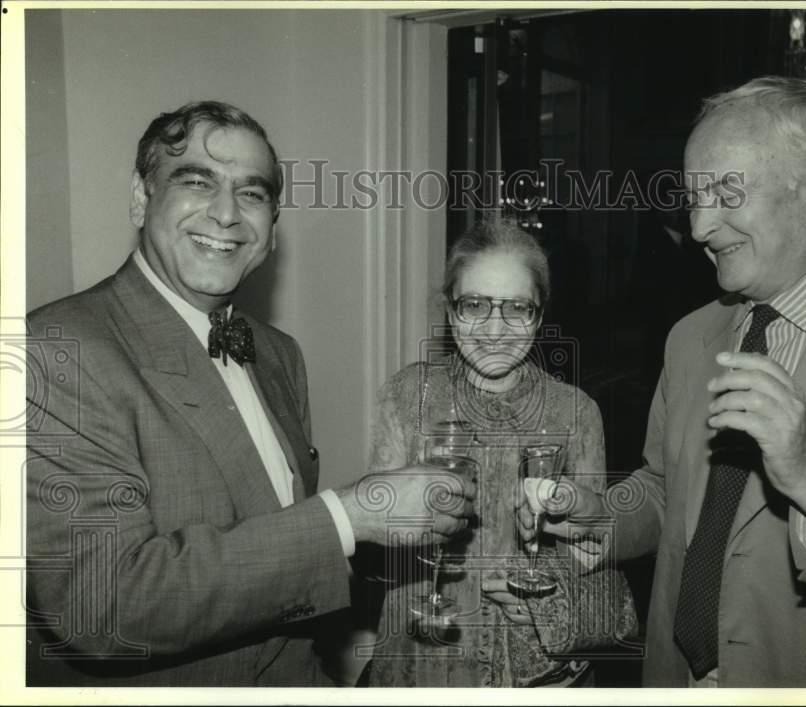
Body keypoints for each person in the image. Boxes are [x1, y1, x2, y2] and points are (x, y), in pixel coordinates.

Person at [527, 77, 806, 687]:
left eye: (726, 192)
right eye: (693, 198)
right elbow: (669, 489)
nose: (699, 227)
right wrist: (603, 518)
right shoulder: (690, 337)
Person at [24, 101, 476, 686]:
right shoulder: (56, 350)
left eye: (253, 194)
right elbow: (100, 609)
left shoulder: (278, 353)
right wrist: (352, 513)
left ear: (271, 228)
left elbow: (275, 557)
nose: (226, 214)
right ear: (140, 197)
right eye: (196, 182)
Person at [360, 217, 636, 687]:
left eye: (517, 308)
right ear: (450, 310)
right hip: (426, 660)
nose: (495, 329)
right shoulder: (408, 395)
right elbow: (375, 546)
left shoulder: (577, 411)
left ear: (540, 315)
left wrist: (547, 605)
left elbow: (595, 554)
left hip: (537, 671)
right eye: (474, 305)